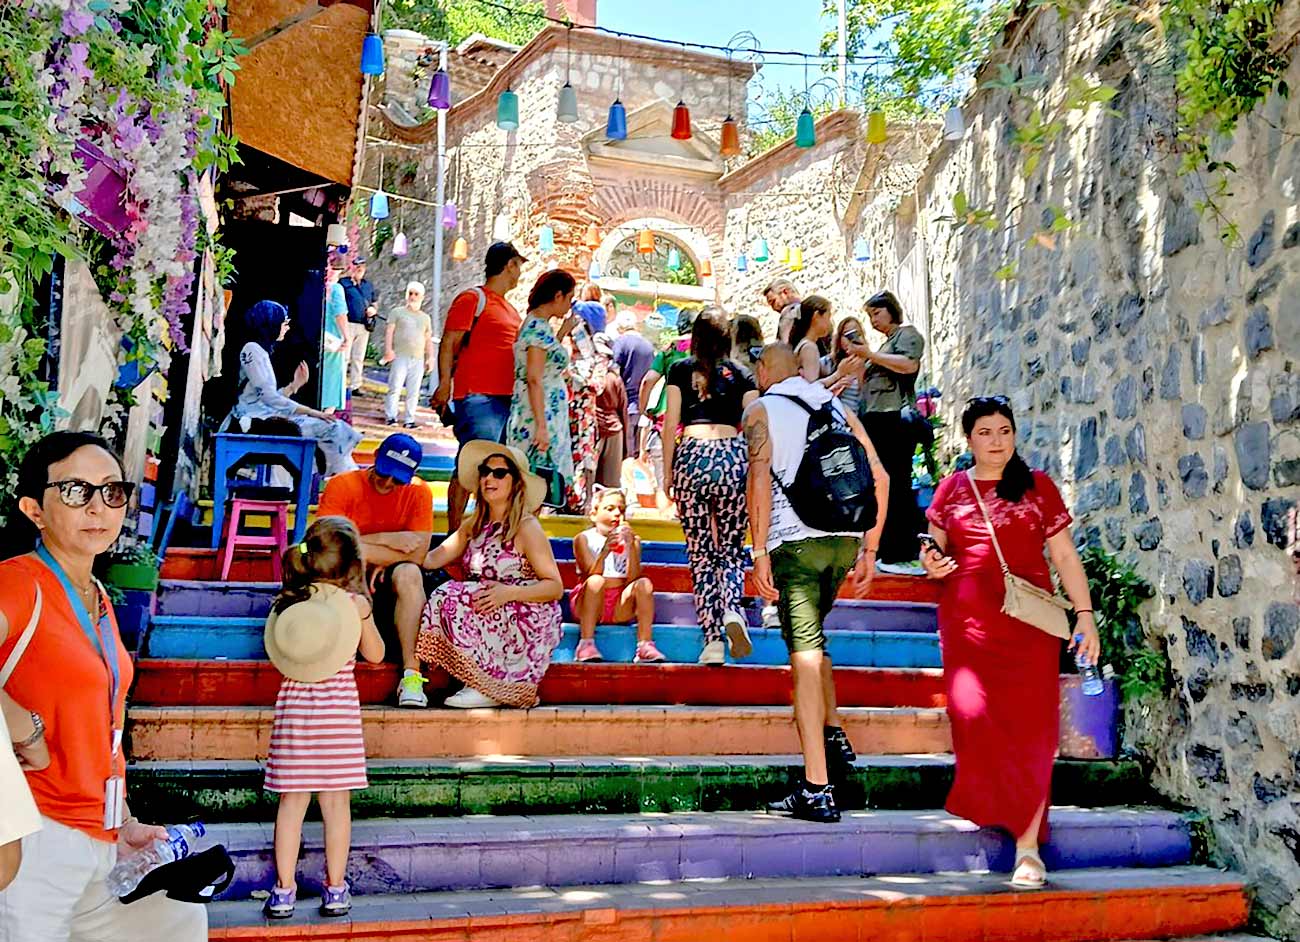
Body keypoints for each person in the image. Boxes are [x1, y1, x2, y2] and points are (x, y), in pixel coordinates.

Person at [0, 431, 207, 939]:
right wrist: (16, 721)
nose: (98, 507)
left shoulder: (96, 596)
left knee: (178, 922)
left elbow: (101, 727)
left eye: (112, 491)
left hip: (102, 841)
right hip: (36, 837)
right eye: (76, 491)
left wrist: (127, 821)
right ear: (34, 509)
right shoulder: (18, 583)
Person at [920, 396, 1100, 889]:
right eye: (985, 432)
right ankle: (1000, 803)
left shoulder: (1037, 486)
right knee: (970, 715)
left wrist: (1084, 615)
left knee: (1033, 730)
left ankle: (1027, 847)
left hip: (1029, 623)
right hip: (968, 624)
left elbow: (1063, 555)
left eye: (1004, 431)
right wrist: (931, 562)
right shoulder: (952, 489)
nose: (996, 441)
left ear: (1015, 434)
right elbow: (933, 549)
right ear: (969, 438)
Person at [742, 345, 889, 823]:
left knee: (803, 656)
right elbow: (880, 477)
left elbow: (758, 479)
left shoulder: (759, 410)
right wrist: (870, 549)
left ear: (764, 372)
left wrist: (759, 550)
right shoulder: (836, 407)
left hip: (796, 545)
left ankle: (817, 786)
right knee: (815, 639)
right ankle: (835, 733)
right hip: (845, 540)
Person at [262, 517, 385, 920]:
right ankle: (335, 889)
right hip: (337, 719)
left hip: (295, 714)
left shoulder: (290, 602)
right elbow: (377, 655)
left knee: (291, 806)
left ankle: (283, 891)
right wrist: (364, 608)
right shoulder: (355, 606)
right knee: (336, 808)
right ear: (352, 566)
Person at [416, 442, 564, 708]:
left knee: (457, 595)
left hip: (526, 610)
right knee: (446, 594)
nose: (488, 478)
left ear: (515, 483)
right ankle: (478, 680)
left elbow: (555, 587)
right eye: (485, 471)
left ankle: (494, 685)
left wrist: (509, 593)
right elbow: (432, 558)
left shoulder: (526, 527)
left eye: (498, 473)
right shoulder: (474, 525)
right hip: (489, 606)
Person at [661, 307, 759, 665]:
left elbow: (671, 421)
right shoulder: (744, 374)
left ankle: (713, 640)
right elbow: (752, 424)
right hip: (732, 456)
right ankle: (733, 608)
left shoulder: (680, 370)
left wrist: (668, 473)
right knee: (732, 548)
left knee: (701, 553)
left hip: (692, 454)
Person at [316, 434, 436, 709]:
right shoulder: (342, 485)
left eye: (397, 479)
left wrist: (354, 545)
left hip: (389, 576)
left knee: (410, 574)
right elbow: (324, 544)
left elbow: (417, 555)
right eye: (384, 473)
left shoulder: (419, 491)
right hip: (341, 572)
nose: (387, 483)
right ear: (375, 459)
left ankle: (412, 675)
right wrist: (386, 539)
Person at [433, 242, 526, 533]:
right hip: (478, 395)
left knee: (494, 469)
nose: (520, 273)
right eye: (518, 266)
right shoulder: (473, 298)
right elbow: (449, 342)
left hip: (505, 399)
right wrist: (444, 384)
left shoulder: (510, 308)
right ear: (509, 265)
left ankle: (480, 532)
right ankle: (453, 534)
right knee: (470, 464)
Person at [225, 300, 361, 477]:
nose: (286, 328)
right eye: (284, 324)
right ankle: (341, 475)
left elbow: (268, 397)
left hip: (262, 414)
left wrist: (294, 386)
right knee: (330, 426)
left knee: (334, 426)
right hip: (252, 419)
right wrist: (313, 412)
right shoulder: (252, 350)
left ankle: (341, 474)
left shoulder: (261, 352)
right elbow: (268, 398)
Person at [846, 290, 926, 573]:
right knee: (882, 485)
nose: (873, 321)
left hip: (894, 417)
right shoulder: (884, 345)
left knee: (898, 484)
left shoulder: (906, 335)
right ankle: (890, 548)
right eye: (870, 316)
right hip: (876, 420)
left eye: (877, 313)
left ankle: (904, 550)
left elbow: (908, 365)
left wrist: (868, 354)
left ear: (891, 310)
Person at [506, 269, 579, 503]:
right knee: (534, 486)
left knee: (537, 487)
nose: (569, 305)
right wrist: (541, 426)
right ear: (558, 296)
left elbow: (543, 364)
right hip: (539, 412)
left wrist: (562, 333)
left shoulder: (539, 326)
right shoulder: (537, 327)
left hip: (544, 409)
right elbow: (534, 378)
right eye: (568, 298)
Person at [571, 488, 664, 664]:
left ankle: (645, 644)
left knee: (644, 583)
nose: (616, 514)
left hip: (619, 605)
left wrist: (632, 548)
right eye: (610, 508)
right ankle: (586, 643)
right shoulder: (583, 539)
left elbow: (634, 578)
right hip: (590, 602)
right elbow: (590, 574)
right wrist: (605, 551)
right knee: (596, 581)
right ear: (594, 514)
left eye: (621, 510)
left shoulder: (633, 541)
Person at [382, 281, 434, 429]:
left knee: (414, 390)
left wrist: (430, 357)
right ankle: (391, 417)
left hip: (417, 358)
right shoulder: (397, 312)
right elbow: (389, 331)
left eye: (416, 294)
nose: (412, 296)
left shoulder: (425, 318)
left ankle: (409, 419)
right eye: (410, 293)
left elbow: (428, 338)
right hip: (400, 355)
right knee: (395, 387)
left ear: (422, 297)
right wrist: (388, 350)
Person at [788, 296, 862, 387]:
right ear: (816, 316)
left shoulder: (805, 344)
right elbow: (812, 388)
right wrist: (838, 374)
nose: (829, 323)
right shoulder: (809, 347)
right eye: (828, 317)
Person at [612, 312, 654, 459]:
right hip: (643, 404)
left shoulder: (620, 342)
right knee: (638, 454)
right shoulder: (648, 346)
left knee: (625, 455)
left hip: (624, 405)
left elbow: (614, 372)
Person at [593, 333, 627, 489]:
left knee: (590, 479)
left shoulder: (587, 379)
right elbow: (623, 410)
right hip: (612, 430)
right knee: (610, 483)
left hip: (594, 430)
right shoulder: (614, 379)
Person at [340, 258, 378, 392]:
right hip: (348, 324)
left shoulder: (368, 285)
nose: (359, 268)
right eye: (356, 265)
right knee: (345, 356)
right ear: (351, 267)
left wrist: (373, 310)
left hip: (363, 325)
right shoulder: (344, 283)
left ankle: (356, 385)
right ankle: (341, 384)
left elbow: (374, 301)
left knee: (358, 357)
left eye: (362, 266)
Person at [824, 314, 867, 415]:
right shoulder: (828, 362)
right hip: (836, 419)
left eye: (856, 333)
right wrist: (836, 384)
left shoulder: (869, 362)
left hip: (861, 422)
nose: (851, 338)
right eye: (846, 334)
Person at [322, 266, 349, 413]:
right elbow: (340, 314)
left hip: (316, 338)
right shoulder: (336, 289)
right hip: (333, 340)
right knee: (332, 380)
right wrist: (346, 337)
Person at [763, 278, 801, 344]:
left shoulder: (788, 313)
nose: (773, 308)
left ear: (785, 292)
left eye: (773, 301)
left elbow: (784, 346)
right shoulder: (813, 308)